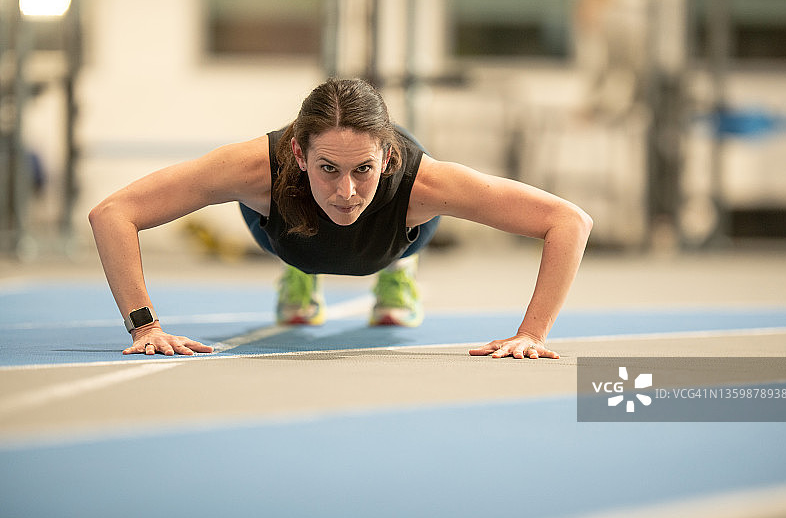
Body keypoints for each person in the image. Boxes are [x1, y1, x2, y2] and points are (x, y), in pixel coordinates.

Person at [89, 78, 592, 359]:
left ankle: (398, 271)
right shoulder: (251, 168)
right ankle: (298, 271)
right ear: (299, 155)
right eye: (328, 168)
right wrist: (145, 327)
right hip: (284, 232)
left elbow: (569, 222)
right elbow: (113, 213)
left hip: (397, 238)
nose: (347, 192)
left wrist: (533, 333)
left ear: (388, 159)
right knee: (303, 241)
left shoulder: (428, 183)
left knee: (382, 243)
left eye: (363, 170)